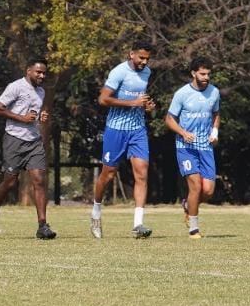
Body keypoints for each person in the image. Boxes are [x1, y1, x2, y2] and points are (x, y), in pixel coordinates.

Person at [89, 40, 157, 239]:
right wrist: (132, 103)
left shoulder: (147, 73)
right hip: (116, 130)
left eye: (147, 59)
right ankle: (95, 212)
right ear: (131, 54)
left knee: (142, 173)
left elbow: (140, 98)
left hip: (137, 130)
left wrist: (146, 106)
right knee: (108, 174)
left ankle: (138, 224)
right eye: (141, 57)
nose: (144, 62)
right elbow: (103, 99)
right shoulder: (119, 72)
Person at [0, 59, 55, 240]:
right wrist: (20, 119)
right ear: (28, 70)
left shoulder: (41, 91)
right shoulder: (15, 87)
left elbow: (33, 115)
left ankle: (42, 226)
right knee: (10, 182)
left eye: (44, 73)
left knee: (39, 180)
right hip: (14, 139)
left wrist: (41, 117)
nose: (42, 76)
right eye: (38, 72)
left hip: (34, 141)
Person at [164, 57, 220, 239]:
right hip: (185, 147)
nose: (206, 77)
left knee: (208, 191)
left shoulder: (214, 92)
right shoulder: (182, 94)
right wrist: (182, 132)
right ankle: (194, 229)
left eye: (208, 74)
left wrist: (215, 132)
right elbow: (169, 119)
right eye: (202, 74)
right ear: (193, 73)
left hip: (205, 147)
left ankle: (189, 205)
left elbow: (216, 114)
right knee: (195, 186)